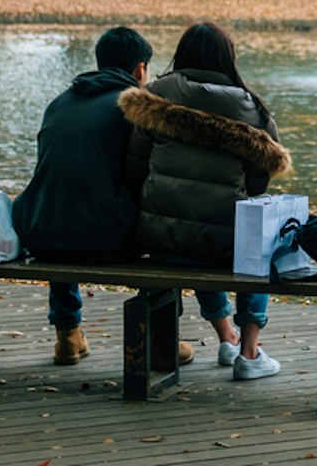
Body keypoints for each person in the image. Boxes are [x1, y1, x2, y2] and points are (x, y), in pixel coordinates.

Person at [10, 28, 192, 365]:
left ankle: (67, 334)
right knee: (164, 228)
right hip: (103, 238)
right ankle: (163, 336)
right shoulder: (135, 106)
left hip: (40, 230)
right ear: (140, 70)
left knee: (64, 207)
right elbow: (150, 179)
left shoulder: (61, 101)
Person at [120, 22, 291, 381]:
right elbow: (261, 180)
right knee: (251, 242)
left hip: (160, 237)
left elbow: (135, 167)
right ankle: (248, 351)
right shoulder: (251, 107)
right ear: (227, 59)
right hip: (222, 243)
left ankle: (226, 336)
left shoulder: (155, 93)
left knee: (194, 229)